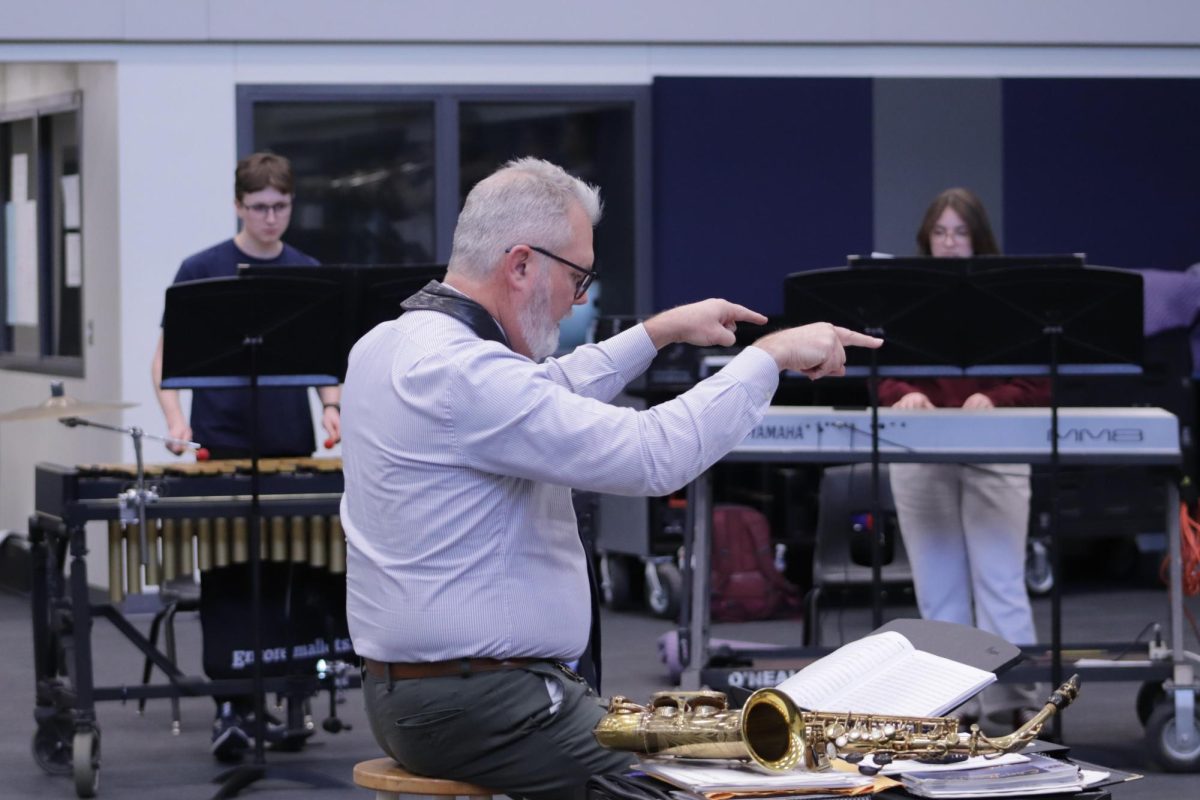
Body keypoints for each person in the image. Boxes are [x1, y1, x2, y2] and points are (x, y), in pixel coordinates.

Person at [339, 157, 882, 800]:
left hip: (429, 695)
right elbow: (653, 456)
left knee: (709, 758)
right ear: (519, 265)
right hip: (483, 705)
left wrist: (657, 333)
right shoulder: (464, 374)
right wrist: (769, 358)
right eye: (577, 275)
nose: (583, 298)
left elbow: (545, 390)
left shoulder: (389, 344)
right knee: (698, 784)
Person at [149, 152, 342, 762]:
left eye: (280, 207)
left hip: (291, 444)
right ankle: (234, 702)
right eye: (258, 207)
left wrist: (332, 407)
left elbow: (324, 356)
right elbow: (166, 356)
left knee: (296, 576)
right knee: (231, 577)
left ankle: (291, 691)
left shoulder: (306, 270)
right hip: (222, 445)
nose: (270, 218)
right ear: (238, 204)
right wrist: (175, 420)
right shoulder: (202, 268)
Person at [879, 187, 1048, 730]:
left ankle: (1015, 704)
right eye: (941, 233)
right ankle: (949, 704)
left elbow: (1036, 374)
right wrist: (901, 393)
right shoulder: (905, 295)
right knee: (937, 585)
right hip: (920, 445)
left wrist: (994, 398)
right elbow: (878, 367)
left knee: (1000, 581)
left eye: (960, 232)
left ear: (979, 239)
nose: (950, 243)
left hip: (995, 443)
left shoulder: (1009, 297)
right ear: (927, 240)